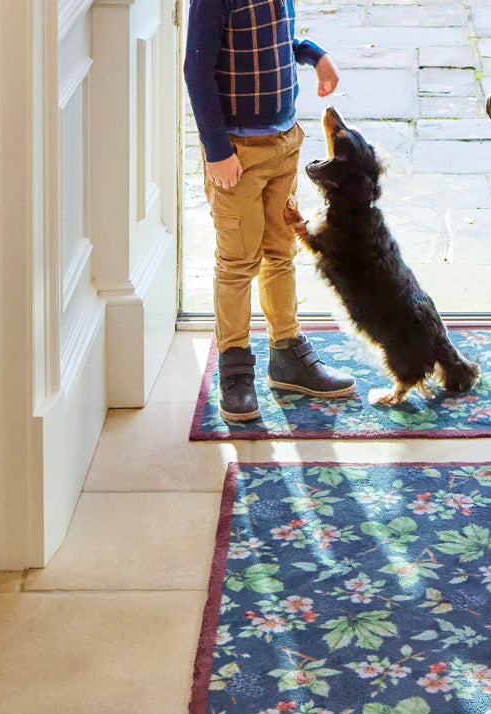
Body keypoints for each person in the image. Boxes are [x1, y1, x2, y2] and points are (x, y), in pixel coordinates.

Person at [184, 0, 356, 422]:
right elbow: (197, 70)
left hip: (284, 143)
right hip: (237, 155)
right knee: (238, 261)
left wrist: (316, 55)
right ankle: (236, 366)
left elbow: (277, 40)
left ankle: (287, 353)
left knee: (281, 251)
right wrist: (217, 150)